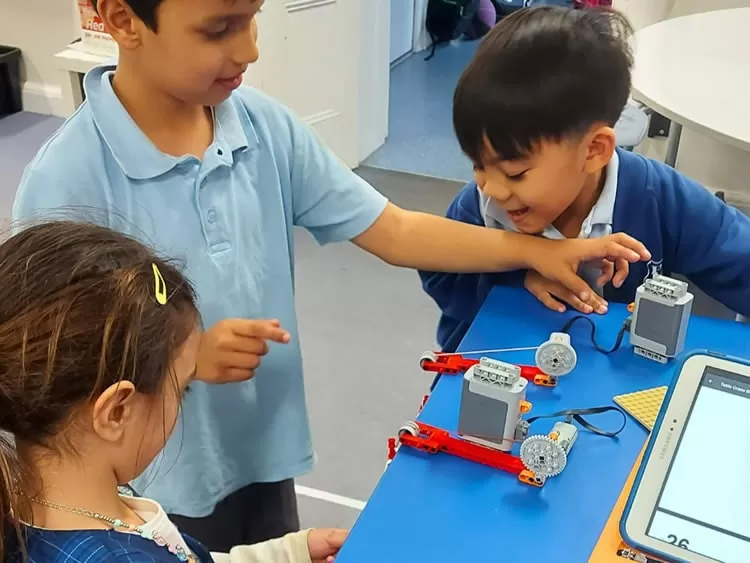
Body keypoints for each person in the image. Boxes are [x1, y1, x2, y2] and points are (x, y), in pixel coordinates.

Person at [12, 0, 650, 552]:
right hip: (147, 483)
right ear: (123, 19)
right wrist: (184, 356)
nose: (252, 47)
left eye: (255, 18)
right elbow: (53, 370)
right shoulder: (66, 179)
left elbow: (395, 230)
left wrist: (529, 250)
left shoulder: (262, 126)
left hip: (261, 449)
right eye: (220, 28)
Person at [0, 221, 346, 563]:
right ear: (117, 411)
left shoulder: (57, 501)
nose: (179, 405)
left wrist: (285, 555)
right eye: (183, 390)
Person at [419, 5, 750, 353]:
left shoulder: (657, 196)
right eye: (477, 165)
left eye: (516, 173)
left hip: (618, 382)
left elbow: (739, 259)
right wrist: (519, 277)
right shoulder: (476, 208)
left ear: (594, 150)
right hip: (498, 367)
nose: (492, 188)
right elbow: (440, 274)